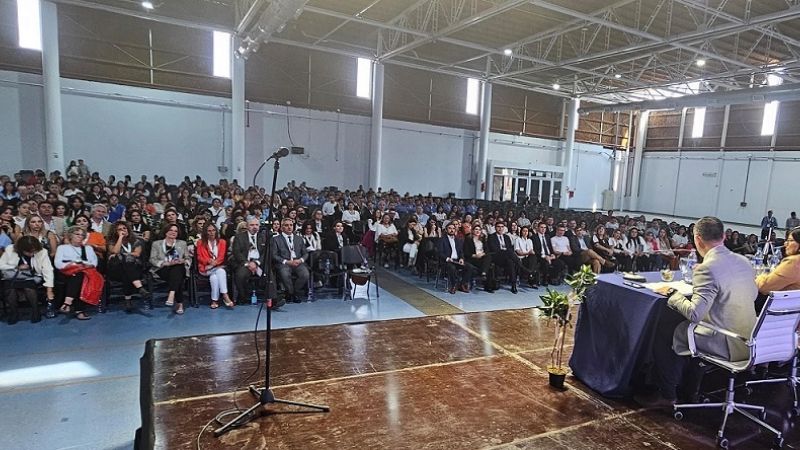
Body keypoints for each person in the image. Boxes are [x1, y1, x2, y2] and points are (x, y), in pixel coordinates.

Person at [641, 217, 758, 407]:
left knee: (665, 330)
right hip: (750, 339)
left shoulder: (708, 269)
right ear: (723, 236)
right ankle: (690, 387)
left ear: (697, 239)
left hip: (725, 341)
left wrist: (672, 294)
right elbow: (752, 295)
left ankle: (667, 394)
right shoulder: (743, 261)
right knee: (679, 326)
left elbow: (694, 314)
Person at [0, 236, 55, 323]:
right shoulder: (10, 249)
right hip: (13, 275)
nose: (32, 254)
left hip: (32, 276)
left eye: (34, 251)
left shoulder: (42, 251)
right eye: (29, 252)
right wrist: (16, 267)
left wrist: (49, 290)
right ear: (21, 249)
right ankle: (14, 312)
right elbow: (1, 265)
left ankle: (36, 311)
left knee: (29, 287)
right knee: (10, 289)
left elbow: (48, 270)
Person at [54, 226, 99, 320]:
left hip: (85, 272)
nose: (80, 236)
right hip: (66, 272)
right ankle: (79, 310)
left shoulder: (88, 248)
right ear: (70, 235)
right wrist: (72, 265)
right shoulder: (62, 248)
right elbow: (58, 264)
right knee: (78, 276)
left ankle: (67, 303)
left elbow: (94, 263)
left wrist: (82, 265)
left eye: (82, 235)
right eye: (77, 234)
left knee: (79, 276)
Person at [106, 221, 149, 311]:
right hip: (116, 269)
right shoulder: (112, 241)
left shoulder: (136, 241)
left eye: (124, 228)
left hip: (134, 267)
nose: (123, 231)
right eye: (119, 230)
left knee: (127, 269)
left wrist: (123, 255)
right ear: (115, 232)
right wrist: (120, 238)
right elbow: (115, 251)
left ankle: (128, 300)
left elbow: (137, 254)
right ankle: (139, 288)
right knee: (126, 266)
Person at [755, 227, 800, 311]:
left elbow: (764, 287)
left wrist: (758, 276)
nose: (785, 244)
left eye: (790, 240)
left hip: (781, 310)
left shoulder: (794, 262)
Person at [149, 223, 190, 315]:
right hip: (163, 269)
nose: (173, 232)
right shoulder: (156, 244)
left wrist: (183, 260)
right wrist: (165, 263)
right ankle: (179, 303)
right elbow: (152, 259)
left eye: (176, 231)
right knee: (178, 277)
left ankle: (172, 294)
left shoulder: (182, 243)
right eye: (171, 230)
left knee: (177, 268)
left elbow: (188, 258)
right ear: (166, 232)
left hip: (179, 268)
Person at [229, 217, 269, 304]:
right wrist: (248, 264)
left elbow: (266, 253)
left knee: (270, 274)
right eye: (252, 225)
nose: (254, 227)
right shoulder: (239, 237)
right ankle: (242, 297)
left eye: (256, 225)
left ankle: (272, 299)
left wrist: (257, 263)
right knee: (240, 275)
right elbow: (237, 252)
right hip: (245, 263)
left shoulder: (264, 237)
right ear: (247, 226)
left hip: (259, 263)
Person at [271, 218, 310, 303]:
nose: (289, 227)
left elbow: (305, 253)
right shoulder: (276, 239)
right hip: (284, 263)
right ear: (281, 228)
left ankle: (292, 292)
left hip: (297, 262)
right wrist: (286, 261)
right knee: (285, 274)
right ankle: (292, 294)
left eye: (291, 225)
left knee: (305, 274)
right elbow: (274, 255)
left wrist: (300, 260)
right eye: (286, 225)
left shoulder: (299, 238)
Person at [195, 223, 233, 309]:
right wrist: (208, 261)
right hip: (205, 268)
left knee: (215, 277)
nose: (212, 232)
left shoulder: (222, 242)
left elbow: (221, 257)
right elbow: (199, 257)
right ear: (205, 232)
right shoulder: (200, 242)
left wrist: (214, 263)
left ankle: (214, 300)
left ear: (216, 231)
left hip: (216, 266)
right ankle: (225, 295)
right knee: (221, 271)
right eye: (209, 231)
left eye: (213, 230)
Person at [437, 223, 474, 294]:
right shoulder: (442, 240)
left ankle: (462, 284)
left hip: (456, 260)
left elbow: (461, 252)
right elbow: (440, 252)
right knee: (452, 267)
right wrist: (447, 258)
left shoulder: (458, 240)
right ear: (446, 230)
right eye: (450, 228)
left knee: (470, 267)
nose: (452, 230)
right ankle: (454, 285)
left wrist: (461, 258)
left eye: (453, 228)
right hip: (446, 261)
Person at [486, 221, 521, 293]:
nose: (500, 228)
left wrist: (506, 252)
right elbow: (493, 249)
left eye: (502, 227)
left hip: (506, 258)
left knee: (510, 262)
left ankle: (513, 285)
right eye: (498, 227)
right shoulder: (491, 237)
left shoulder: (507, 237)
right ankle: (520, 265)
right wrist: (505, 251)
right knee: (508, 253)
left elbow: (510, 248)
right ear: (495, 228)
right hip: (496, 257)